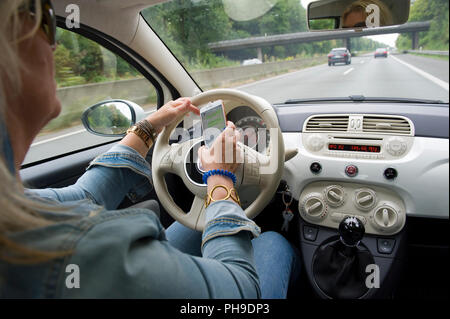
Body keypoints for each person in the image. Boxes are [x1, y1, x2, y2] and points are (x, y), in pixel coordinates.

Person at [0, 0, 301, 298]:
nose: (53, 45)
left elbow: (84, 197)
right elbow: (240, 292)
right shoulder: (71, 255)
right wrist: (221, 177)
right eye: (44, 19)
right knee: (273, 241)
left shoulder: (15, 210)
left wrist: (150, 126)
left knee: (194, 229)